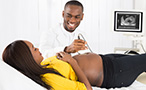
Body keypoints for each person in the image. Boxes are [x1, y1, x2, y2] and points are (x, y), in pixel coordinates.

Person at [2, 40, 146, 90]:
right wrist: (71, 61)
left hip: (107, 60)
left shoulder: (44, 64)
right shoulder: (49, 80)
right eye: (34, 49)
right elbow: (87, 89)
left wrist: (67, 54)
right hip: (112, 73)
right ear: (26, 59)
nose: (38, 49)